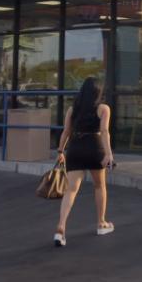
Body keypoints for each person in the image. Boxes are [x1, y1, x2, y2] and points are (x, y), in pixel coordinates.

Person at [53, 77, 115, 247]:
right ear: (98, 92)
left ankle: (61, 227)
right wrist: (109, 154)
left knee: (71, 190)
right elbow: (104, 131)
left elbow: (66, 132)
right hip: (95, 148)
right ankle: (101, 223)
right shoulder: (103, 108)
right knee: (99, 186)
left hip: (76, 148)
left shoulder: (73, 109)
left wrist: (60, 151)